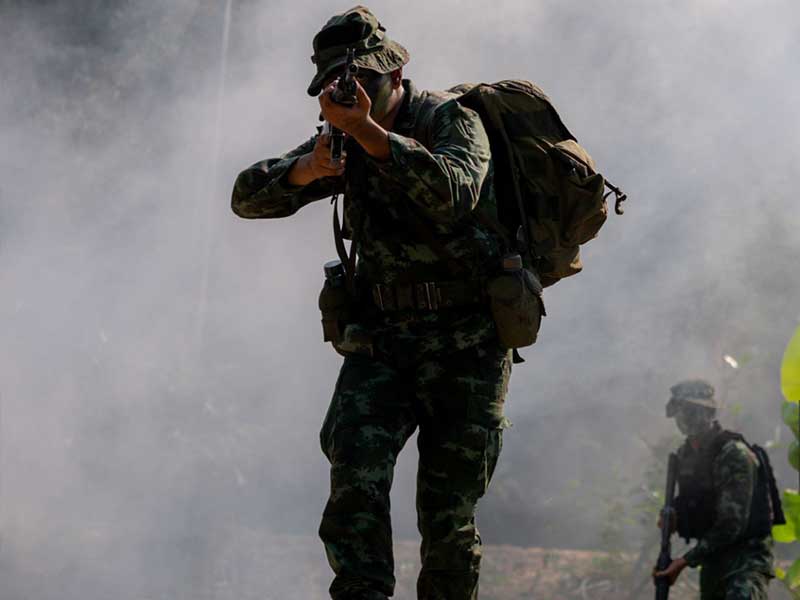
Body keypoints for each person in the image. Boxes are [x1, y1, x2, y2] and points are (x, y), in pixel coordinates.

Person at [231, 6, 513, 599]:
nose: (352, 92)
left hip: (466, 345)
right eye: (340, 83)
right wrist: (307, 169)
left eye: (363, 79)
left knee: (447, 512)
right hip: (382, 341)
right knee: (353, 477)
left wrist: (369, 134)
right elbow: (246, 197)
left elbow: (454, 192)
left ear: (396, 74)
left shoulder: (449, 119)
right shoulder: (342, 138)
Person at [654, 380, 776, 599]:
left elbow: (731, 525)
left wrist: (684, 561)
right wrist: (675, 518)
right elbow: (697, 504)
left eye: (693, 410)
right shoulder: (686, 456)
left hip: (745, 562)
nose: (686, 417)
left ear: (710, 413)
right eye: (681, 411)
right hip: (714, 561)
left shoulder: (734, 454)